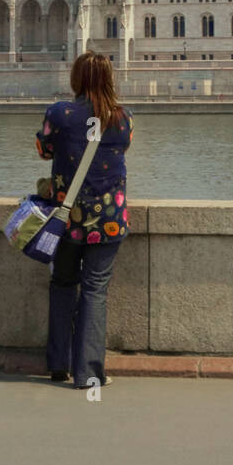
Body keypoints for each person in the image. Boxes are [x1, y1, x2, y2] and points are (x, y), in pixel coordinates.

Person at [36, 51, 133, 390]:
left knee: (63, 284)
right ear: (110, 79)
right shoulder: (123, 118)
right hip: (108, 220)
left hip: (66, 220)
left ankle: (58, 364)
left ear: (76, 79)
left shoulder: (59, 114)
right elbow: (123, 147)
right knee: (94, 290)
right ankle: (89, 373)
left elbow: (43, 149)